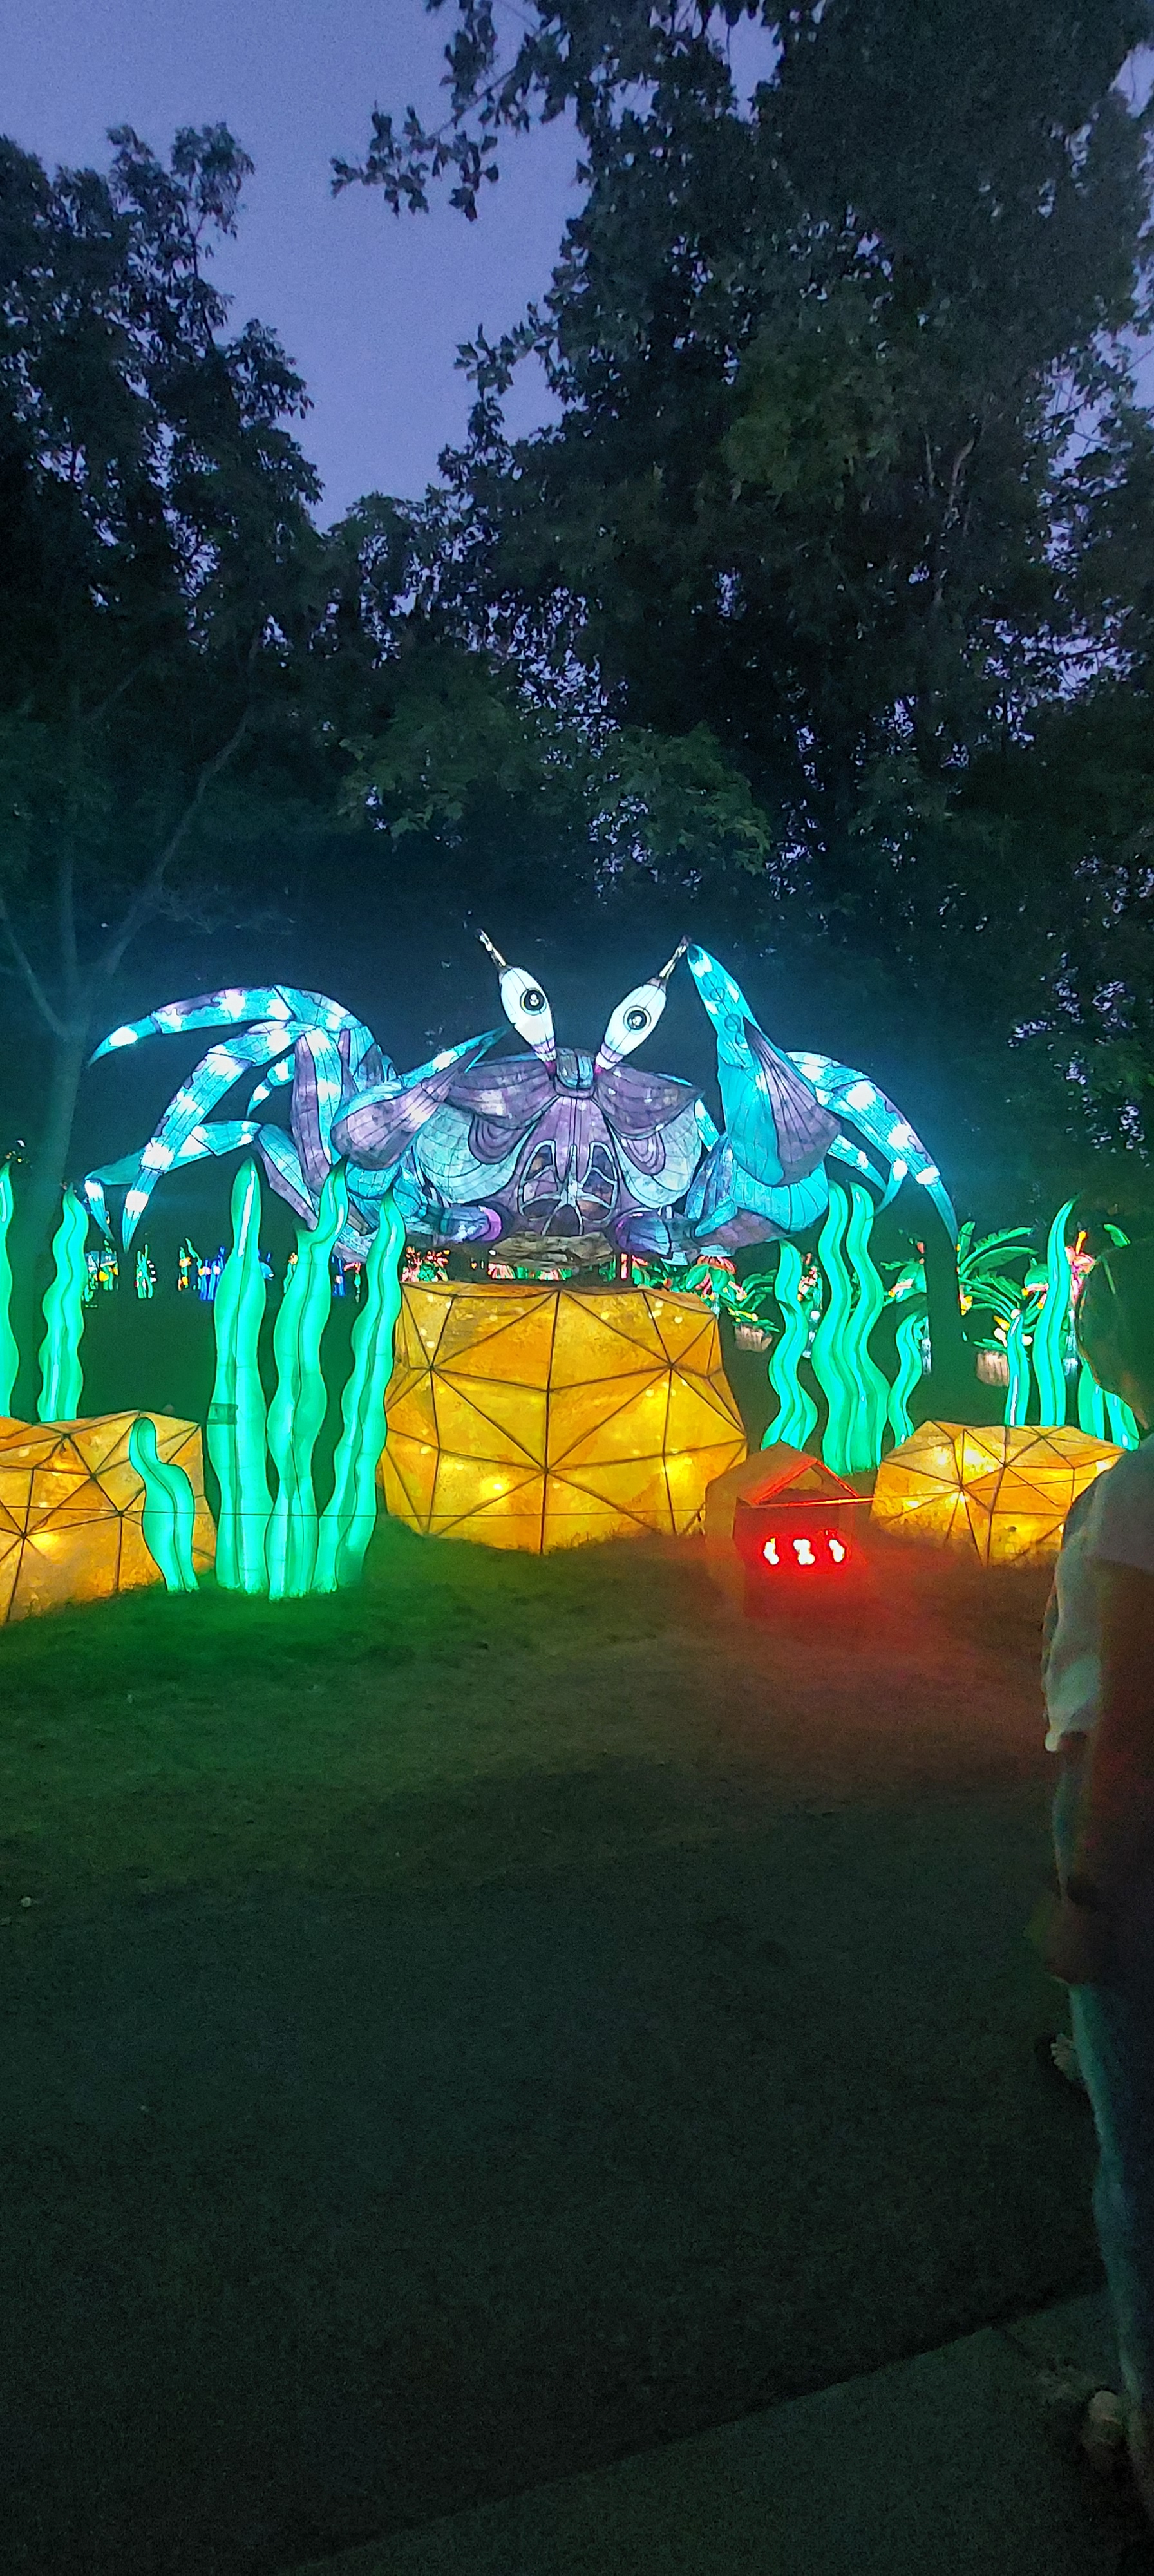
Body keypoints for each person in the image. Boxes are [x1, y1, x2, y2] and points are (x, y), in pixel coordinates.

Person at [1037, 1239, 1154, 2518]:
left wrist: (1084, 1893)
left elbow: (1128, 1721)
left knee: (1139, 2161)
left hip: (1130, 1830)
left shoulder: (1135, 1492)